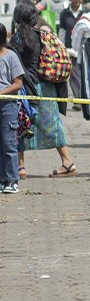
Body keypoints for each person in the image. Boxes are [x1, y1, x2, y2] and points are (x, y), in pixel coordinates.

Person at [9, 0, 76, 179]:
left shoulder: (17, 38)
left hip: (27, 88)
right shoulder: (41, 35)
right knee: (53, 124)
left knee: (20, 124)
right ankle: (67, 162)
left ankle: (20, 167)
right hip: (47, 87)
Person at [0, 24, 25, 193]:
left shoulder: (11, 57)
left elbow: (17, 84)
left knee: (8, 143)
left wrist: (1, 92)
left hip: (7, 106)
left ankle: (11, 179)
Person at [59, 0, 87, 109]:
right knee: (74, 74)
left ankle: (84, 98)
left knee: (83, 73)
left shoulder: (87, 12)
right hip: (70, 49)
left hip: (84, 48)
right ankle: (78, 100)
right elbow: (62, 31)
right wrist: (61, 47)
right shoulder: (64, 13)